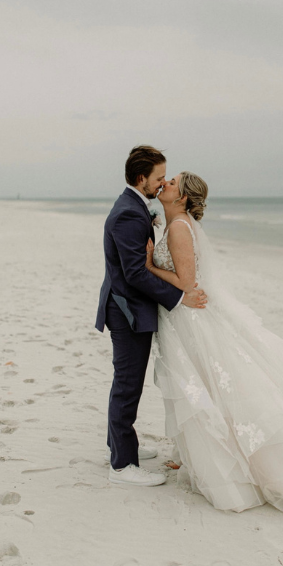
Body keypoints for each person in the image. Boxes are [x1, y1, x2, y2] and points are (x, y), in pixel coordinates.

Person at [144, 171, 283, 519]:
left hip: (191, 321)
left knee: (204, 386)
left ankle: (242, 467)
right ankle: (199, 456)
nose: (165, 184)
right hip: (184, 320)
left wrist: (149, 266)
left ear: (184, 197)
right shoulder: (176, 223)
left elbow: (187, 283)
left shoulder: (178, 227)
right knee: (202, 387)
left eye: (172, 182)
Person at [95, 146, 208, 487]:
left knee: (127, 383)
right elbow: (135, 273)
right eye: (159, 178)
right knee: (127, 386)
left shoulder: (133, 206)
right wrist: (180, 297)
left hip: (128, 307)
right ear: (141, 177)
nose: (162, 183)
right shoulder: (129, 213)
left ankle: (120, 444)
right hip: (127, 311)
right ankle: (122, 465)